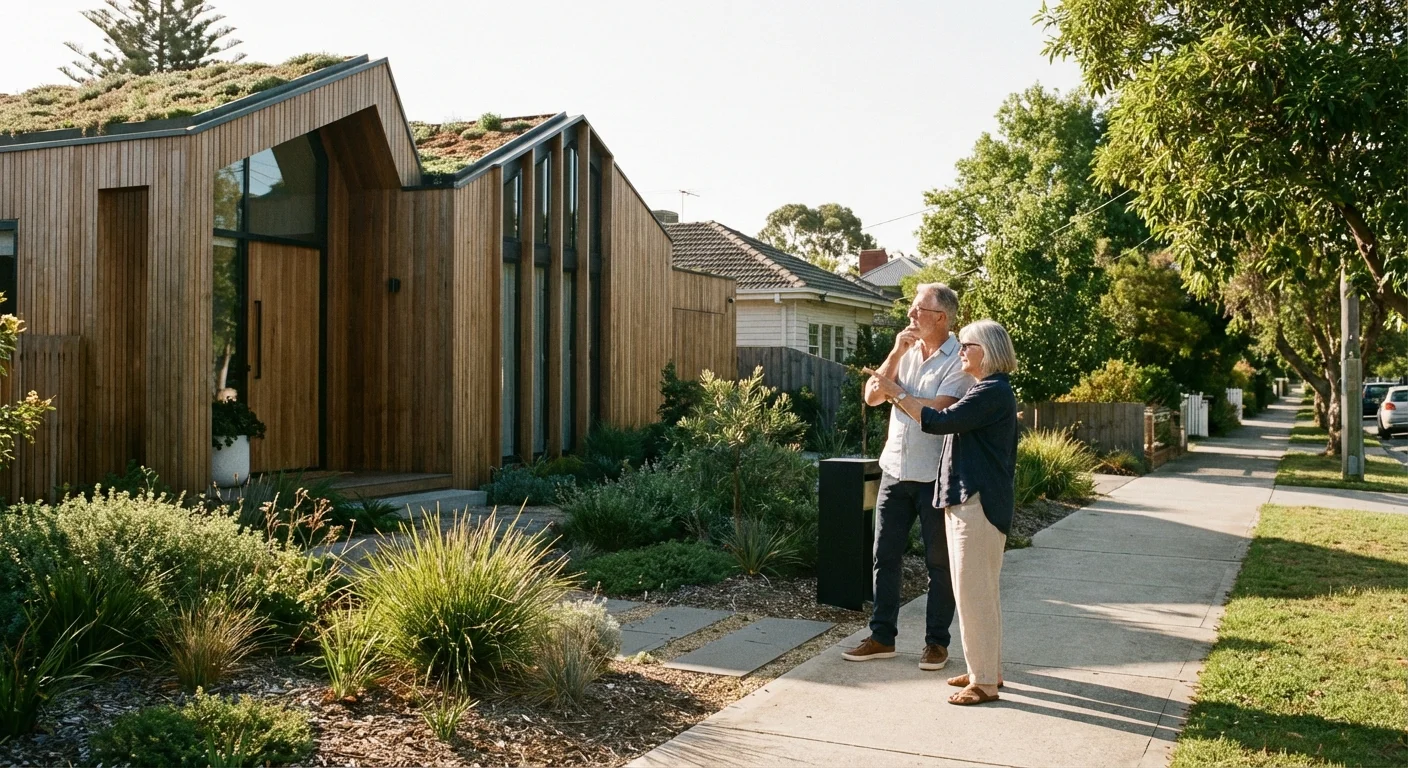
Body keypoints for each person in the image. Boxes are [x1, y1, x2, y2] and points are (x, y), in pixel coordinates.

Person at [867, 318, 1019, 706]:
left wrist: (894, 393)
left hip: (977, 504)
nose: (962, 350)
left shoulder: (991, 392)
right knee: (980, 593)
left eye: (968, 345)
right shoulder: (989, 390)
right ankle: (985, 669)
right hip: (974, 501)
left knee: (974, 595)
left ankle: (984, 683)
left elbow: (938, 421)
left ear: (988, 351)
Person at [842, 283, 974, 672]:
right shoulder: (905, 350)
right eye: (912, 309)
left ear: (941, 318)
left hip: (934, 475)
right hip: (894, 470)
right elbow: (870, 396)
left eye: (918, 309)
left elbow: (937, 411)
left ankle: (936, 643)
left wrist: (895, 392)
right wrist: (897, 352)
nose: (910, 316)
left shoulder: (958, 359)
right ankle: (882, 637)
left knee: (939, 563)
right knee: (884, 556)